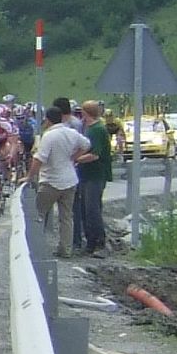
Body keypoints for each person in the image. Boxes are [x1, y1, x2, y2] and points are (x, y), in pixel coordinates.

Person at [26, 106, 91, 258]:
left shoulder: (49, 136)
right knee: (66, 217)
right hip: (70, 180)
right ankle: (65, 248)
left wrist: (29, 177)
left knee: (39, 214)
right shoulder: (71, 133)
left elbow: (39, 158)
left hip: (51, 180)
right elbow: (87, 145)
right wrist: (73, 157)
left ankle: (37, 248)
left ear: (47, 120)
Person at [75, 101, 112, 257]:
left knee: (92, 209)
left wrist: (75, 160)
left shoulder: (97, 130)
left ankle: (98, 241)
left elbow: (95, 154)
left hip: (95, 174)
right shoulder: (88, 128)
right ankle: (90, 241)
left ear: (86, 112)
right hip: (86, 174)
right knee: (85, 209)